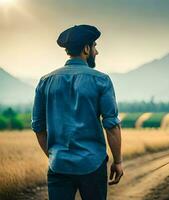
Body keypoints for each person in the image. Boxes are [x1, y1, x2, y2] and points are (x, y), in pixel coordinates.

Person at [31, 24, 123, 200]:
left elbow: (38, 126)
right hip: (93, 165)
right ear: (86, 49)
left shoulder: (45, 81)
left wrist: (53, 155)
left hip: (58, 165)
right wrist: (117, 162)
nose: (97, 52)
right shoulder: (101, 80)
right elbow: (111, 126)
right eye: (95, 46)